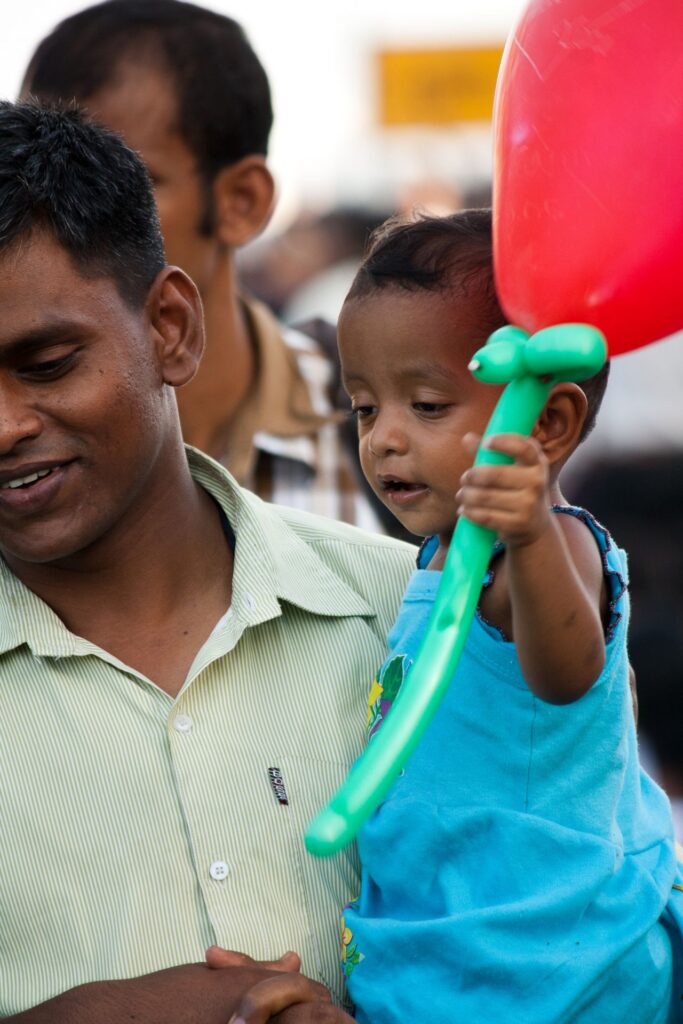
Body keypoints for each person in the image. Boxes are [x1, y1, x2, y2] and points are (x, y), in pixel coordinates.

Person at [0, 101, 416, 1022]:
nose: (6, 425)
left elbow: (584, 944)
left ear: (171, 328)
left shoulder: (406, 620)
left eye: (47, 363)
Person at [322, 209, 681, 1023]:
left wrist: (525, 535)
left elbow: (566, 675)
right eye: (365, 408)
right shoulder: (442, 556)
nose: (384, 440)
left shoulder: (554, 549)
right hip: (464, 937)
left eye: (425, 404)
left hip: (551, 957)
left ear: (545, 424)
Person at [21, 0, 382, 529]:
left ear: (242, 202)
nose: (59, 222)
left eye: (120, 186)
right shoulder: (20, 451)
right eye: (37, 183)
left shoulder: (378, 416)